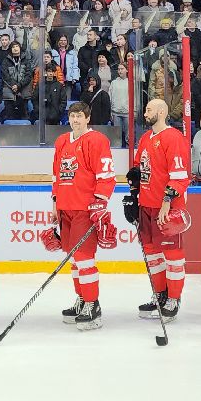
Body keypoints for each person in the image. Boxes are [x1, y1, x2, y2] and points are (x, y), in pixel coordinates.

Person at [50, 100, 118, 330]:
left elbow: (107, 175)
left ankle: (92, 304)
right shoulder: (61, 141)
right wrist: (54, 205)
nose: (75, 120)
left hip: (85, 209)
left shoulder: (97, 140)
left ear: (88, 119)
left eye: (79, 116)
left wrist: (100, 202)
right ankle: (81, 299)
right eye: (72, 116)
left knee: (85, 258)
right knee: (74, 259)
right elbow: (56, 176)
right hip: (65, 209)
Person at [130, 97, 192, 321]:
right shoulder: (146, 137)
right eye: (145, 109)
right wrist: (133, 194)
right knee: (152, 255)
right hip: (146, 206)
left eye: (149, 110)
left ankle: (173, 297)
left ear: (162, 112)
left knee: (173, 256)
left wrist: (166, 202)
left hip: (167, 208)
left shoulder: (173, 138)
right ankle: (160, 294)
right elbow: (140, 169)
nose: (145, 113)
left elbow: (179, 176)